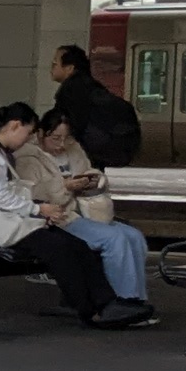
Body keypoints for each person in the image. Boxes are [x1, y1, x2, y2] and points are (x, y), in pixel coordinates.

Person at [0, 103, 149, 327]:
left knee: (76, 245)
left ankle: (107, 303)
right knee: (60, 249)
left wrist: (38, 210)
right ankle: (89, 310)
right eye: (29, 132)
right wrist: (39, 209)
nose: (29, 138)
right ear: (14, 126)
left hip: (12, 220)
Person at [16, 114, 151, 302]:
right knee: (114, 239)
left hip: (86, 211)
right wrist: (65, 187)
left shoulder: (74, 149)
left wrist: (92, 181)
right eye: (55, 138)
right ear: (40, 134)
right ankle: (122, 301)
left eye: (67, 137)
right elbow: (32, 193)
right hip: (60, 217)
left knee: (134, 237)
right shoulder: (28, 158)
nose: (62, 144)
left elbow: (87, 172)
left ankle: (138, 299)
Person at [49, 45, 141, 168]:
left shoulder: (71, 89)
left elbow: (73, 125)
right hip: (122, 144)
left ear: (70, 68)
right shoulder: (91, 85)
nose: (51, 68)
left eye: (55, 64)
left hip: (101, 146)